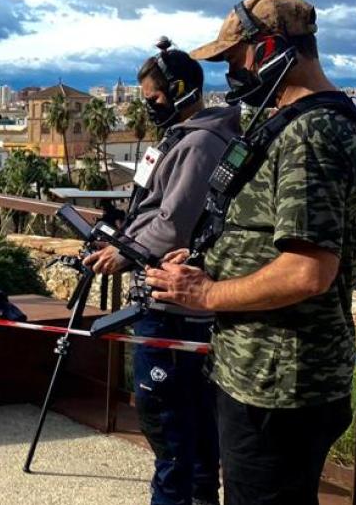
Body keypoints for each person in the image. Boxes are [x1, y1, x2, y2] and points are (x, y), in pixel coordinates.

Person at [147, 0, 356, 505]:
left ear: (269, 49)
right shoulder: (290, 123)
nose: (231, 74)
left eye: (234, 59)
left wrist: (206, 295)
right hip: (262, 374)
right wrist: (207, 260)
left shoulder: (313, 133)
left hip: (281, 382)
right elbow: (265, 231)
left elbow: (307, 271)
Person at [84, 38, 239, 505]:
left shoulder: (200, 143)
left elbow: (175, 219)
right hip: (166, 298)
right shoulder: (186, 138)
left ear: (179, 90)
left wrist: (125, 253)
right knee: (186, 423)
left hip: (174, 303)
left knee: (170, 423)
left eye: (154, 98)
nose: (149, 107)